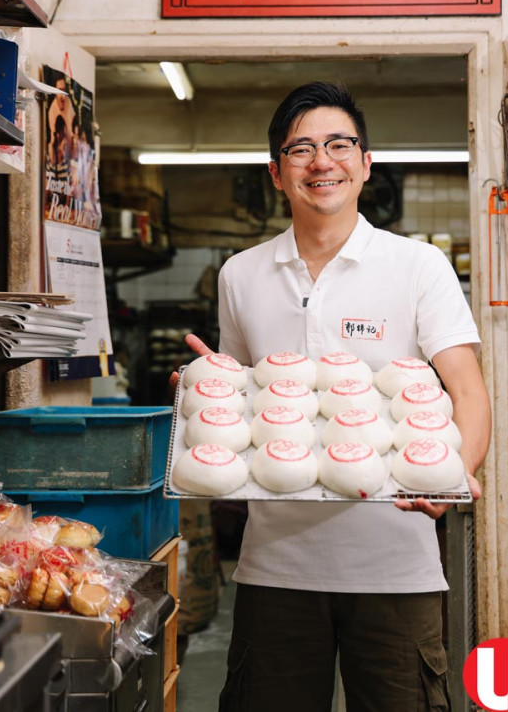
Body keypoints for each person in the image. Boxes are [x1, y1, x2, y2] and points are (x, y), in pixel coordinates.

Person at [173, 82, 491, 712]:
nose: (323, 162)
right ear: (275, 172)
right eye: (301, 148)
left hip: (395, 566)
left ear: (365, 163)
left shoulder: (417, 265)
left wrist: (458, 475)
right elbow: (243, 390)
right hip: (276, 567)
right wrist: (200, 387)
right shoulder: (242, 273)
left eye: (340, 144)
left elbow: (468, 390)